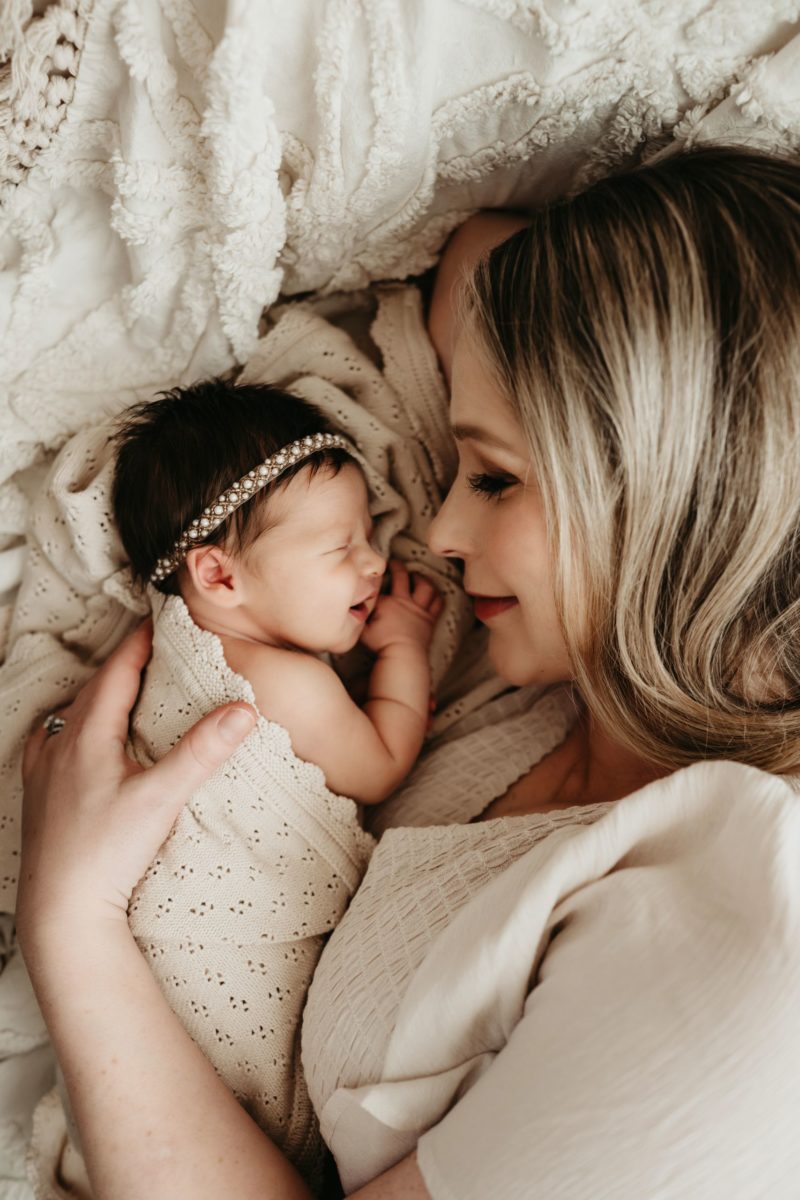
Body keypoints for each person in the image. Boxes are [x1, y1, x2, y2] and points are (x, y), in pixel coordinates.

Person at [16, 145, 800, 1199]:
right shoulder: (585, 700)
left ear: (682, 489)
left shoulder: (744, 952)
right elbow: (478, 261)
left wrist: (71, 923)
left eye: (496, 479)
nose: (438, 530)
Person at [106, 381, 442, 1185]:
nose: (375, 560)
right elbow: (382, 761)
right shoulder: (287, 683)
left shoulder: (178, 651)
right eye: (340, 546)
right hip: (222, 956)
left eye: (370, 533)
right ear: (219, 577)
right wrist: (406, 649)